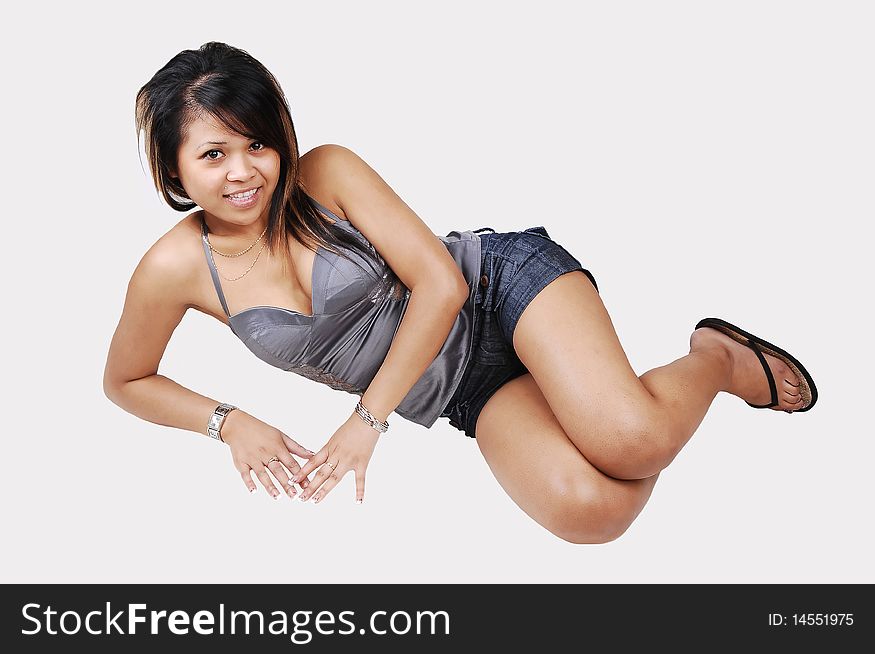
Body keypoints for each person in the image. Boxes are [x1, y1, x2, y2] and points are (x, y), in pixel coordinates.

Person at [104, 42, 818, 544]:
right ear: (173, 170)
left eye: (257, 144)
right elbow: (126, 379)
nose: (244, 172)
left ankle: (716, 358)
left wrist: (367, 420)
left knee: (634, 443)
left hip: (498, 291)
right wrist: (228, 422)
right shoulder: (172, 268)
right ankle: (601, 403)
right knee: (593, 511)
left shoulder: (326, 172)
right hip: (459, 389)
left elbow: (440, 283)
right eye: (213, 154)